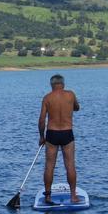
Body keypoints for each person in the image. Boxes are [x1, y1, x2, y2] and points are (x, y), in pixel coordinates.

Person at [38, 73, 80, 205]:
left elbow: (41, 120)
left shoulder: (47, 98)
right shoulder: (71, 95)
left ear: (51, 85)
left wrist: (41, 137)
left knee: (49, 166)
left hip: (52, 134)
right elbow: (77, 108)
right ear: (63, 84)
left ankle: (48, 197)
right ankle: (73, 196)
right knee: (70, 165)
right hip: (67, 133)